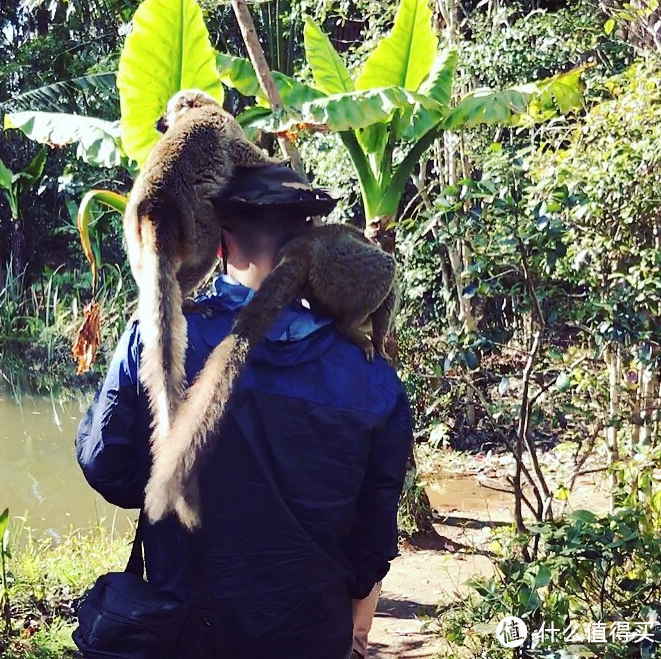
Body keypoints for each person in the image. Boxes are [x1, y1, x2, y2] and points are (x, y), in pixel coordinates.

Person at [76, 163, 412, 659]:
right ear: (313, 245)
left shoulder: (159, 338)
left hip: (185, 630)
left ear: (219, 245)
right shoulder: (374, 377)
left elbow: (106, 466)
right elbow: (375, 535)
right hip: (309, 633)